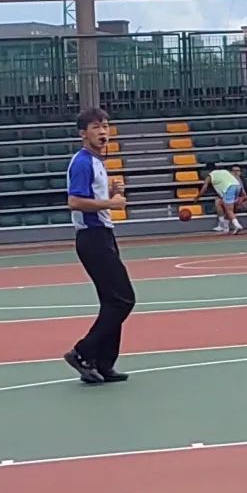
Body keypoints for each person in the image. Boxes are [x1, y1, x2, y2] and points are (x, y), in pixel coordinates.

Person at [63, 107, 135, 384]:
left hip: (103, 234)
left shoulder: (97, 161)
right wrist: (111, 203)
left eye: (105, 126)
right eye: (96, 127)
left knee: (112, 301)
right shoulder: (82, 162)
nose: (103, 131)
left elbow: (93, 198)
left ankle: (104, 363)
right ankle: (83, 352)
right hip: (92, 237)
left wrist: (111, 193)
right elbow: (74, 201)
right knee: (123, 299)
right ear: (83, 133)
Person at [198, 163, 244, 233]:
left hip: (229, 188)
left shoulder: (210, 175)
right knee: (228, 208)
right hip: (237, 186)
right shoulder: (225, 171)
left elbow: (204, 188)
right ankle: (225, 227)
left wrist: (197, 197)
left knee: (229, 210)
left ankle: (237, 225)